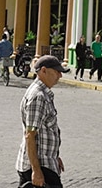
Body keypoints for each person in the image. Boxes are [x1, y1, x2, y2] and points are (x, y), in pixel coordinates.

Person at [16, 55, 68, 187]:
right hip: (40, 167)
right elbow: (30, 135)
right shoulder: (38, 97)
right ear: (44, 71)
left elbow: (45, 131)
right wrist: (36, 171)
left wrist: (54, 156)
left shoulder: (44, 94)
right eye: (57, 72)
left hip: (46, 162)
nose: (60, 76)